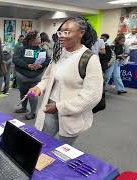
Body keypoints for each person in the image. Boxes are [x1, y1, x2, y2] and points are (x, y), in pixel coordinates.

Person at [28, 17, 103, 145]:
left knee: (63, 150)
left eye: (67, 32)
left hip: (71, 114)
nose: (62, 36)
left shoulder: (90, 59)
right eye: (60, 32)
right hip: (49, 107)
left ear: (81, 33)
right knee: (41, 143)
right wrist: (39, 87)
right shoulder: (59, 53)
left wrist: (59, 107)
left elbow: (92, 96)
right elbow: (48, 77)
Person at [13, 31, 51, 120]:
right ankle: (24, 108)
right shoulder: (20, 49)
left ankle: (33, 113)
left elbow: (48, 60)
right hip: (22, 76)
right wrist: (28, 66)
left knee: (33, 94)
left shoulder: (42, 50)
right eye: (38, 37)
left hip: (36, 77)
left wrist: (40, 65)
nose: (40, 38)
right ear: (32, 40)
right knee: (23, 93)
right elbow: (15, 59)